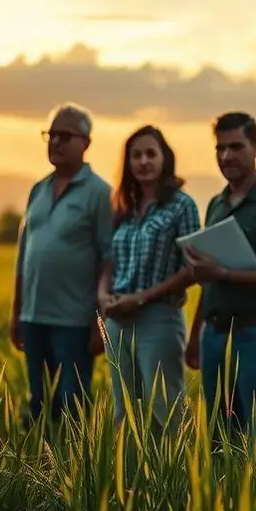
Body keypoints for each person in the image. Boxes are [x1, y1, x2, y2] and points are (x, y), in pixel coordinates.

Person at [183, 111, 256, 447]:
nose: (226, 156)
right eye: (220, 148)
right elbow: (209, 281)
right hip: (215, 334)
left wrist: (223, 273)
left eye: (236, 146)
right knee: (217, 437)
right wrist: (196, 337)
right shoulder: (216, 205)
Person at [11, 103, 114, 425]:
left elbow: (108, 261)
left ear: (86, 143)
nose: (55, 142)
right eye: (51, 135)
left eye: (64, 136)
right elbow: (23, 257)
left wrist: (101, 325)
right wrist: (17, 313)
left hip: (73, 322)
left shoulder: (100, 194)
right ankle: (37, 471)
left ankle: (74, 473)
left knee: (72, 408)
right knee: (38, 405)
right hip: (33, 317)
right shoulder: (37, 190)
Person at [99, 125, 201, 432]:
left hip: (158, 318)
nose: (144, 161)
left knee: (165, 411)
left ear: (164, 158)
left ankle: (173, 478)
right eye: (136, 155)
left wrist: (142, 298)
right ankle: (126, 479)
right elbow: (108, 260)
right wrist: (103, 295)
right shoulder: (122, 207)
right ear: (128, 162)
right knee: (124, 412)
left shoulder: (182, 206)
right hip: (117, 319)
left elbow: (193, 268)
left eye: (150, 154)